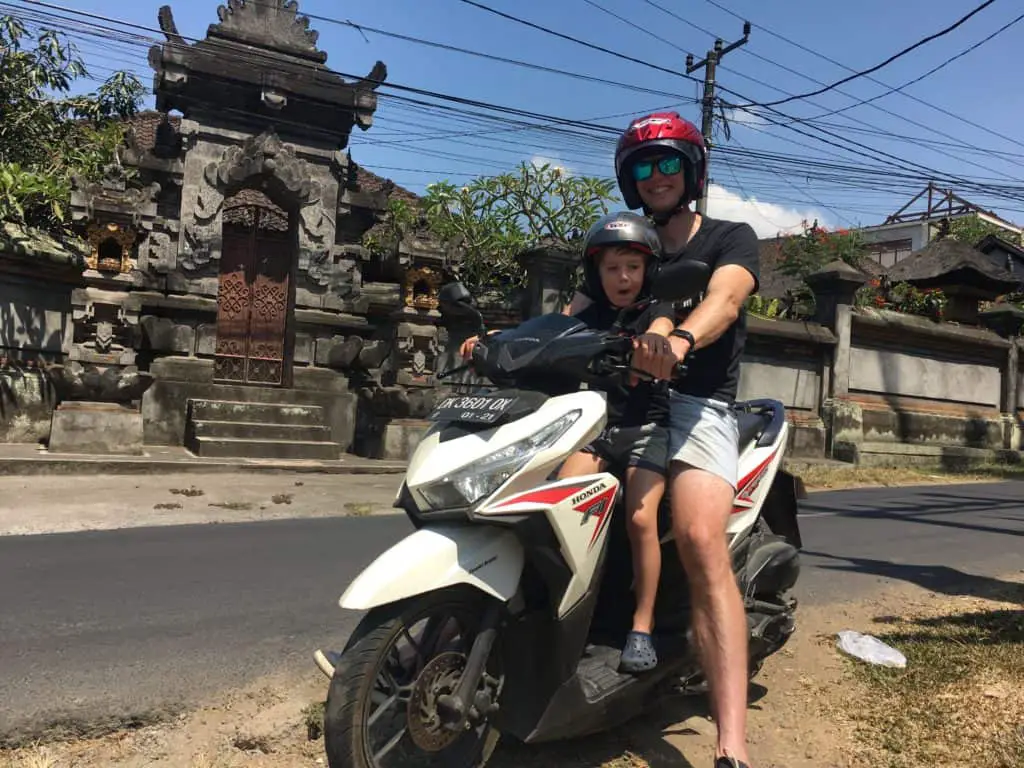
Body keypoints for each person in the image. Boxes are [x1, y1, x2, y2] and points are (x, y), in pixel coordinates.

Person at [566, 112, 760, 768]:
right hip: (619, 399)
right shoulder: (624, 246)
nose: (657, 176)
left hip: (697, 405)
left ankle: (730, 744)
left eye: (668, 162)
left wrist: (677, 341)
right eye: (643, 166)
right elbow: (570, 316)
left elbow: (726, 299)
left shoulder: (731, 237)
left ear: (692, 169)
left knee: (702, 539)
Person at [462, 211, 678, 673]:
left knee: (641, 519)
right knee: (557, 510)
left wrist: (653, 346)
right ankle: (557, 609)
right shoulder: (589, 312)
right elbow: (547, 333)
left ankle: (641, 627)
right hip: (595, 429)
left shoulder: (655, 310)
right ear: (597, 273)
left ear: (648, 271)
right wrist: (498, 341)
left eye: (633, 267)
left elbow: (661, 334)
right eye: (613, 268)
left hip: (645, 429)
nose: (623, 277)